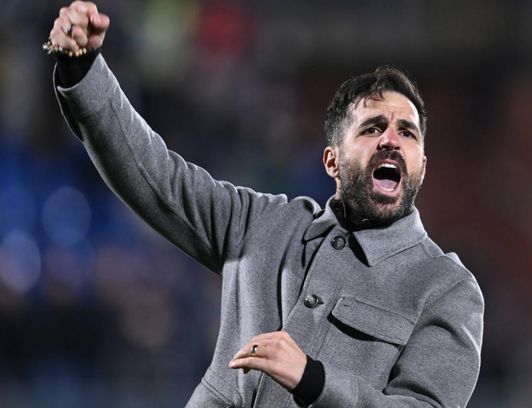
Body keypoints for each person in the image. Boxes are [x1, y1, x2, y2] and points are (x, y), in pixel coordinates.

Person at [47, 2, 484, 407]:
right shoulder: (260, 224)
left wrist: (314, 380)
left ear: (421, 165)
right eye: (372, 128)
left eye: (407, 132)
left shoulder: (445, 289)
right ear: (332, 161)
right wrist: (84, 70)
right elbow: (155, 176)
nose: (391, 140)